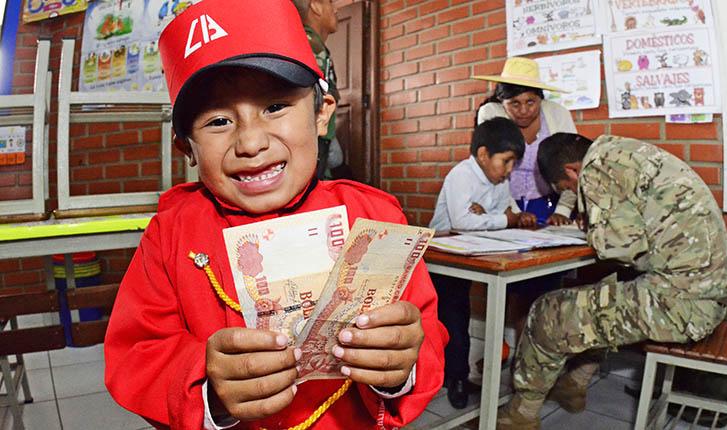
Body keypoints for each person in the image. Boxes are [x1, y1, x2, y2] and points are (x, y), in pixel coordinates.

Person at [103, 1, 447, 429]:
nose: (250, 142)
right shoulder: (172, 234)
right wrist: (208, 385)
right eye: (218, 121)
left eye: (275, 107)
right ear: (186, 148)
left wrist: (400, 365)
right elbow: (137, 353)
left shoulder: (373, 219)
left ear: (322, 114)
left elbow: (424, 333)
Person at [497, 133, 727, 429]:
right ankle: (574, 384)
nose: (575, 192)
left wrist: (593, 228)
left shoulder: (598, 166)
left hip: (685, 305)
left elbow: (620, 247)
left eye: (570, 187)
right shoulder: (625, 152)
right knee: (604, 291)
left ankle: (520, 415)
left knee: (547, 311)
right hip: (709, 294)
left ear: (573, 170)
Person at [429, 117, 527, 409]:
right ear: (483, 155)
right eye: (506, 161)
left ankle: (455, 374)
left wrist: (493, 217)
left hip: (468, 255)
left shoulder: (499, 180)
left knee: (458, 314)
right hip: (442, 257)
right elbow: (463, 221)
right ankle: (455, 378)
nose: (509, 170)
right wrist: (499, 219)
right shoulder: (462, 175)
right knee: (453, 320)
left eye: (513, 163)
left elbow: (510, 211)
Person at [473, 56, 577, 227]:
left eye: (531, 102)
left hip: (551, 204)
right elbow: (490, 168)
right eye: (514, 103)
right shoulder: (491, 114)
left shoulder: (558, 114)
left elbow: (572, 167)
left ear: (540, 99)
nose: (524, 111)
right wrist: (514, 212)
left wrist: (563, 210)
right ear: (502, 102)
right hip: (502, 203)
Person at [291, 0, 345, 180]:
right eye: (330, 2)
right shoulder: (307, 45)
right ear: (315, 6)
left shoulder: (313, 44)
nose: (336, 9)